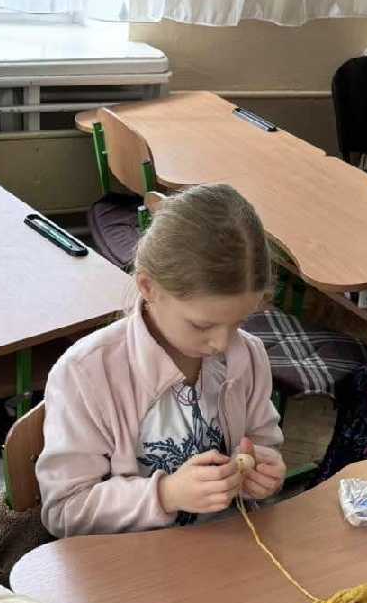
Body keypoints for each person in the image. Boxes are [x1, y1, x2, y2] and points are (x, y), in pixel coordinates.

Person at [37, 183, 284, 537]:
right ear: (148, 287)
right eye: (202, 325)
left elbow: (262, 439)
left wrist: (263, 468)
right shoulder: (85, 374)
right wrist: (166, 494)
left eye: (239, 322)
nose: (222, 343)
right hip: (132, 559)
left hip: (225, 548)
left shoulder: (247, 355)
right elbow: (64, 510)